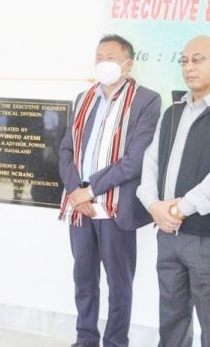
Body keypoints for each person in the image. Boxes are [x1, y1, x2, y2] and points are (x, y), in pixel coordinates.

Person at [137, 35, 210, 347]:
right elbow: (150, 162)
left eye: (198, 59)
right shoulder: (173, 111)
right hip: (169, 234)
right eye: (185, 60)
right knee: (171, 320)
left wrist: (176, 210)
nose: (189, 67)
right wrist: (153, 205)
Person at [58, 34, 161, 347]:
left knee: (119, 284)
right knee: (84, 279)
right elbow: (66, 150)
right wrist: (76, 191)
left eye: (111, 58)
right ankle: (85, 339)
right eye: (99, 56)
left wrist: (90, 191)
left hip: (116, 208)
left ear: (127, 64)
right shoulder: (83, 98)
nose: (104, 63)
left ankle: (116, 342)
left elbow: (135, 160)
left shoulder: (147, 100)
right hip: (80, 208)